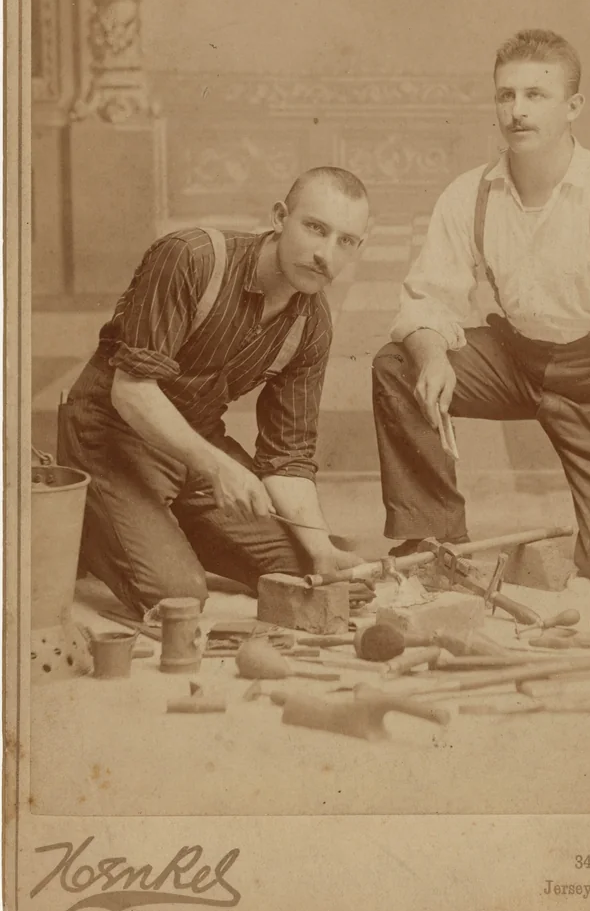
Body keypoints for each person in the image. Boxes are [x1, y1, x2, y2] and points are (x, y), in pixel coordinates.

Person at [372, 30, 590, 586]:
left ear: (573, 107)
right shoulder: (471, 194)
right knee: (398, 364)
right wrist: (432, 351)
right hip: (515, 361)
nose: (517, 111)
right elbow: (427, 297)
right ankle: (433, 536)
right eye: (506, 96)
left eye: (536, 95)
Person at [59, 166, 370, 616]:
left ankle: (161, 526)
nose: (325, 255)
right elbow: (132, 393)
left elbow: (287, 456)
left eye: (345, 241)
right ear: (280, 216)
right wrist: (219, 469)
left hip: (196, 448)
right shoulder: (192, 257)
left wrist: (320, 549)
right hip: (109, 435)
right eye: (315, 228)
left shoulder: (312, 323)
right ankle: (91, 522)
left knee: (303, 569)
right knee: (179, 598)